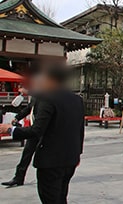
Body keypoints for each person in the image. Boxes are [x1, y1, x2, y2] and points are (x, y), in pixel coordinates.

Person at [0, 65, 85, 204]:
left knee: (50, 198)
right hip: (70, 158)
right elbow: (80, 130)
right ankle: (19, 176)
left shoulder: (48, 99)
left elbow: (37, 130)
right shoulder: (76, 99)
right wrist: (78, 154)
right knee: (61, 197)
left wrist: (10, 129)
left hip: (51, 160)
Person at [2, 88, 38, 187]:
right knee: (26, 154)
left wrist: (29, 91)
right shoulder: (36, 98)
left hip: (45, 132)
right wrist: (17, 117)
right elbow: (29, 109)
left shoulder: (46, 96)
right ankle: (18, 178)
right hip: (34, 130)